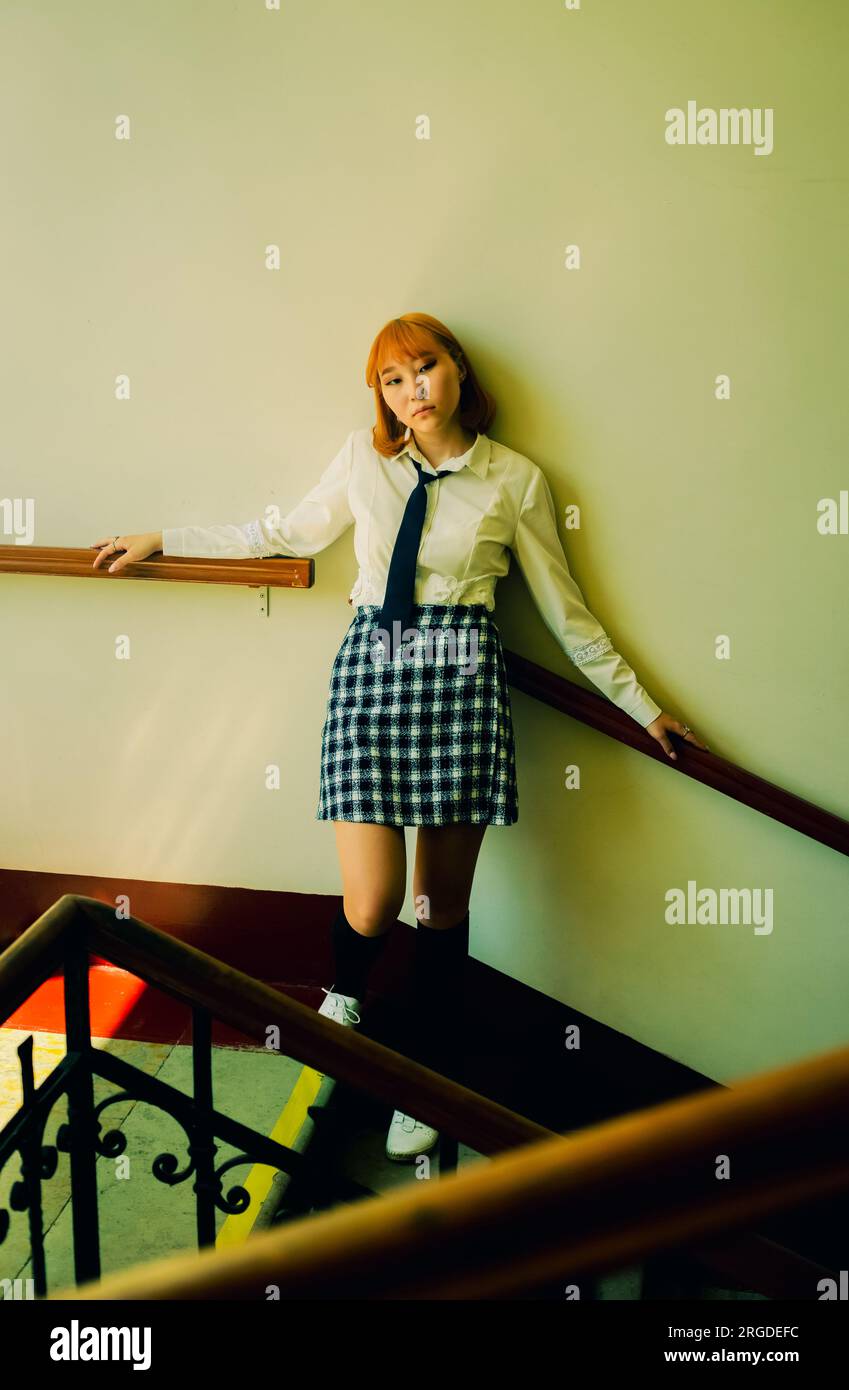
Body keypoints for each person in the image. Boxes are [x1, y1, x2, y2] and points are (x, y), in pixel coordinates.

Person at [91, 311, 708, 1165]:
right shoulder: (363, 459)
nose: (409, 390)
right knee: (373, 900)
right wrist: (165, 538)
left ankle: (426, 1072)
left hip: (461, 681)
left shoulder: (515, 480)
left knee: (437, 907)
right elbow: (283, 534)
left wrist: (642, 707)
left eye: (423, 368)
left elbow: (567, 614)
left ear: (456, 369)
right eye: (390, 378)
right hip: (370, 676)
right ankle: (344, 1009)